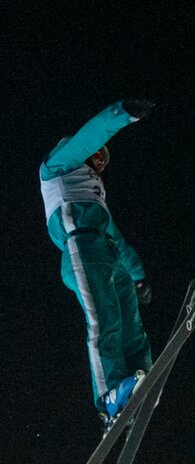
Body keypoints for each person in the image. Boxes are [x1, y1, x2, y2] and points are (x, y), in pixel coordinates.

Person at [39, 99, 156, 423]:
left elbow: (117, 237)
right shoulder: (57, 165)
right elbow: (89, 136)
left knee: (130, 322)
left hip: (107, 252)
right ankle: (110, 395)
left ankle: (139, 379)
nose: (100, 166)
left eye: (104, 162)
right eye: (98, 158)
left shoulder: (95, 193)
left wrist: (138, 277)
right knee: (105, 319)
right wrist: (122, 113)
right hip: (80, 248)